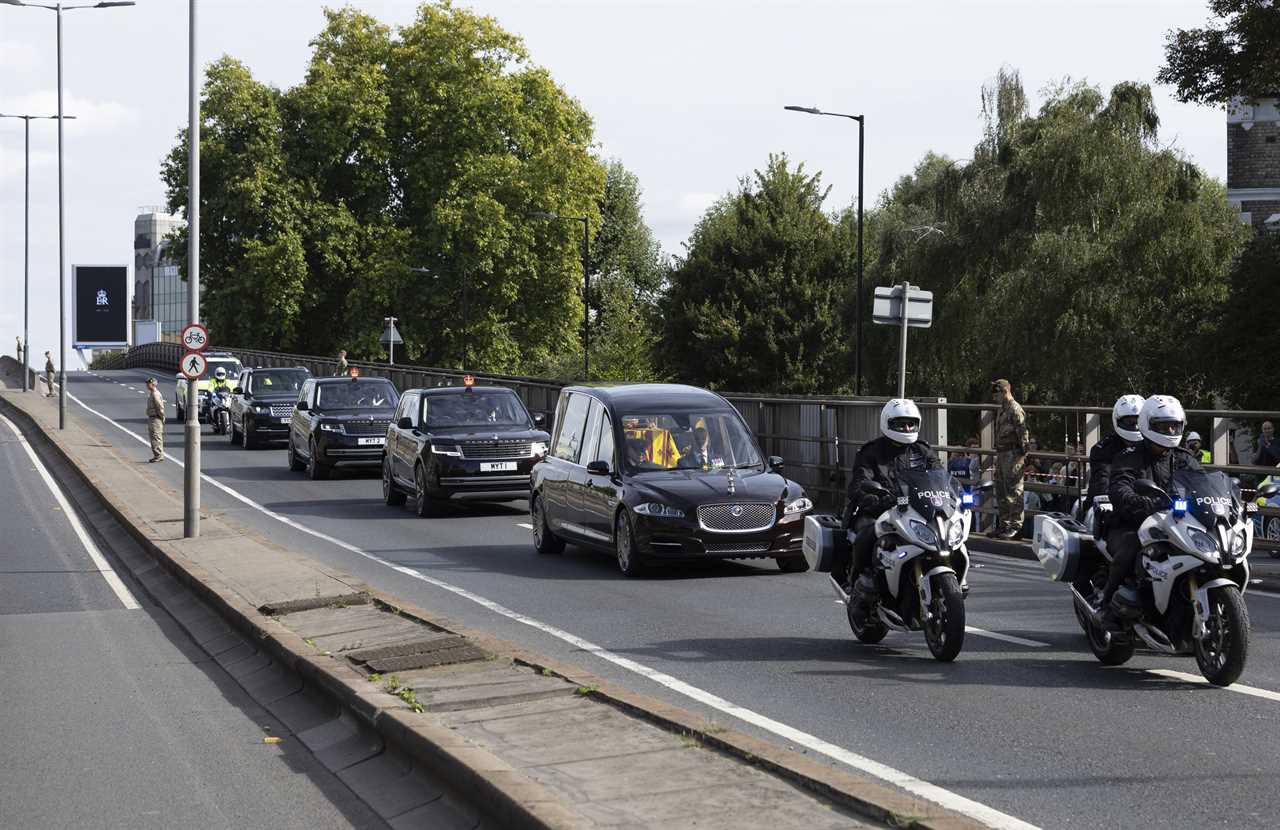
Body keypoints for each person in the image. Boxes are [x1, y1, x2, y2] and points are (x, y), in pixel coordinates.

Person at [838, 399, 941, 615]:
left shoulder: (923, 451)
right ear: (888, 423)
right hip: (880, 509)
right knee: (868, 532)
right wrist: (873, 498)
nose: (906, 429)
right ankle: (855, 581)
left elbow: (939, 476)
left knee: (946, 530)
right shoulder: (871, 452)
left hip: (915, 509)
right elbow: (858, 485)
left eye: (910, 424)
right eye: (901, 424)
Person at [1103, 395, 1200, 625]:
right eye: (1163, 425)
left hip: (1175, 524)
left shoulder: (1184, 459)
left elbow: (1203, 483)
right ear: (1147, 424)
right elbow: (1120, 491)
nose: (1169, 429)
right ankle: (1106, 608)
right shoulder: (1129, 458)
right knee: (1130, 547)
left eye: (1174, 425)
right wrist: (1147, 504)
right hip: (1131, 523)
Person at [1084, 395, 1145, 510]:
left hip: (1146, 504)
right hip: (1111, 505)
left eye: (1139, 422)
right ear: (1117, 420)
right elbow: (1103, 482)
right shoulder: (1103, 449)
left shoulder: (1153, 447)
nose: (1136, 426)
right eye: (1130, 422)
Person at [991, 379, 1029, 539]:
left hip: (1013, 454)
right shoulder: (1002, 409)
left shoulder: (1015, 409)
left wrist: (1022, 456)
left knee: (1014, 490)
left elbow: (1023, 433)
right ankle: (1004, 524)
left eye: (996, 393)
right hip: (1002, 454)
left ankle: (1015, 526)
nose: (994, 397)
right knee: (1001, 489)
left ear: (1004, 391)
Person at [145, 377, 166, 462]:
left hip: (155, 418)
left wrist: (162, 416)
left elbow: (159, 407)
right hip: (153, 417)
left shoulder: (155, 394)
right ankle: (157, 455)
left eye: (148, 383)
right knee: (154, 436)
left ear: (153, 384)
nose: (147, 385)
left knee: (156, 436)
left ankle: (159, 455)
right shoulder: (152, 393)